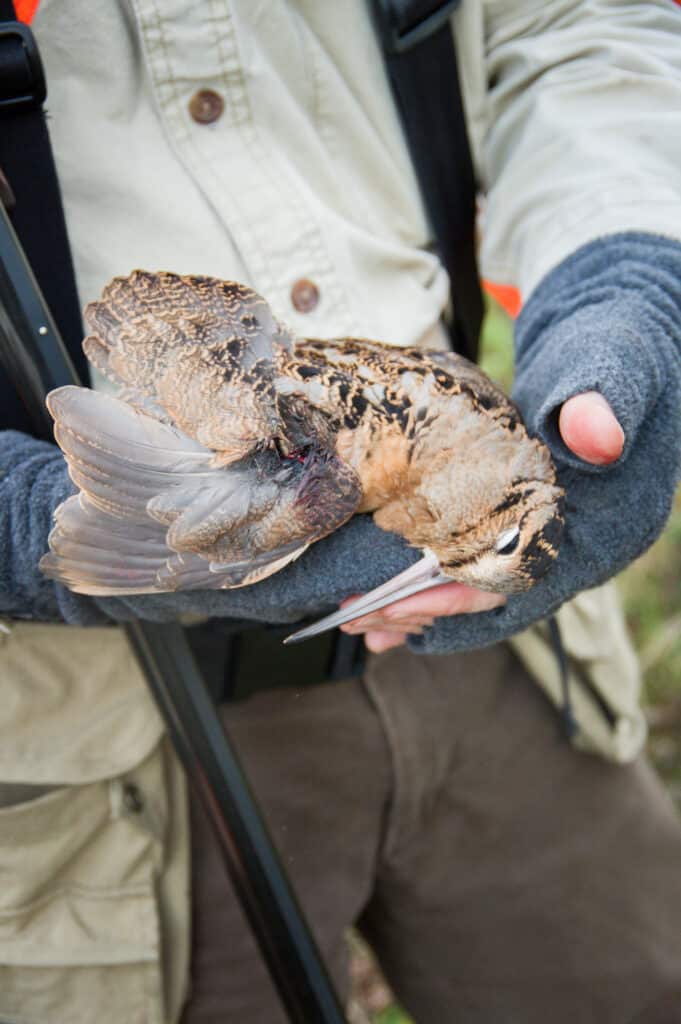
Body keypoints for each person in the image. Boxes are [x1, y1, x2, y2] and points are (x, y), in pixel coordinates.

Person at [1, 1, 681, 1021]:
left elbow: (581, 19)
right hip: (102, 728)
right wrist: (37, 518)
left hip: (506, 643)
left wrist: (625, 278)